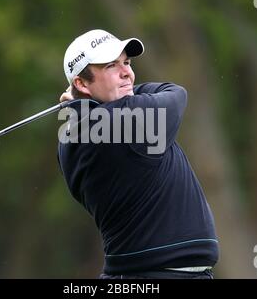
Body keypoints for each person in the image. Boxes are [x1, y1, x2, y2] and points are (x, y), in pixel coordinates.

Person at [57, 29, 219, 279]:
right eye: (111, 66)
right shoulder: (124, 122)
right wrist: (95, 103)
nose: (127, 73)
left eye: (127, 62)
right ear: (81, 83)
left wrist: (82, 102)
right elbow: (175, 94)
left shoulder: (70, 136)